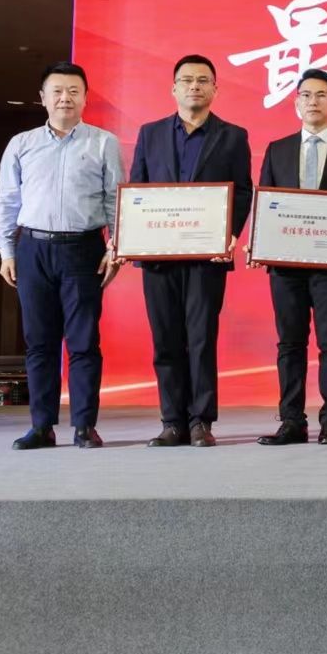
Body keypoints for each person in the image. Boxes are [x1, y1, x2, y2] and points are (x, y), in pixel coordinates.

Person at [124, 54, 253, 448]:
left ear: (215, 89)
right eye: (187, 80)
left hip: (206, 257)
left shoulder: (233, 136)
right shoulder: (150, 133)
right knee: (165, 340)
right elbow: (137, 189)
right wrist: (132, 237)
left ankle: (201, 421)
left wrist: (230, 234)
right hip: (158, 256)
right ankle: (172, 422)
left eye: (202, 80)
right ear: (173, 88)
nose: (194, 86)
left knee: (200, 339)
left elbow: (242, 191)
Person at [0, 62, 123, 449]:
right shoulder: (21, 144)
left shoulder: (104, 142)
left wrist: (115, 248)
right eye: (57, 91)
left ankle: (84, 425)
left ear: (85, 98)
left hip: (84, 249)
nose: (65, 98)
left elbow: (116, 200)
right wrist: (7, 251)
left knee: (83, 341)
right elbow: (7, 201)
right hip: (32, 249)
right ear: (43, 98)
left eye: (73, 91)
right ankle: (41, 426)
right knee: (39, 342)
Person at [253, 68, 327, 446]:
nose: (313, 101)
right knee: (290, 343)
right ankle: (291, 420)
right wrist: (259, 242)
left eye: (322, 95)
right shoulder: (277, 149)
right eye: (306, 95)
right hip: (285, 265)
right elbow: (266, 203)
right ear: (296, 103)